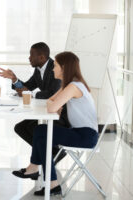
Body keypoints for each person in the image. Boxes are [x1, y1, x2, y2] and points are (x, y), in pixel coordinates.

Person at [16, 51, 99, 196]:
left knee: (41, 132)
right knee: (41, 132)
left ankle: (35, 169)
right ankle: (50, 183)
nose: (53, 69)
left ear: (64, 68)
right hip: (81, 132)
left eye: (55, 65)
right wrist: (53, 104)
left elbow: (51, 107)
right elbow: (51, 101)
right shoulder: (69, 85)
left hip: (86, 135)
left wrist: (54, 104)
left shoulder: (73, 86)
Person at [0, 42, 70, 168]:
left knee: (34, 129)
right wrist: (14, 79)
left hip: (60, 115)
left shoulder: (55, 68)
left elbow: (52, 93)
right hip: (46, 110)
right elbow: (27, 87)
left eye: (31, 55)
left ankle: (48, 156)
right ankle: (52, 153)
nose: (29, 58)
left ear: (41, 57)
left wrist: (31, 95)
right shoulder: (38, 70)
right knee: (20, 127)